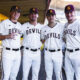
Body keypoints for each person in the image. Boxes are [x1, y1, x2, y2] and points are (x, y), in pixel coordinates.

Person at [41, 9, 64, 80]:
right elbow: (42, 40)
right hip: (47, 53)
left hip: (58, 53)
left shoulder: (61, 27)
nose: (51, 17)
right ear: (46, 17)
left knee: (58, 75)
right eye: (49, 15)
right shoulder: (43, 28)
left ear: (55, 16)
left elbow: (65, 38)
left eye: (52, 15)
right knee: (48, 75)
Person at [0, 5, 22, 80]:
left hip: (17, 53)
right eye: (14, 11)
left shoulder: (19, 25)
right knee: (5, 76)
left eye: (18, 12)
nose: (16, 13)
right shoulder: (4, 23)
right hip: (7, 52)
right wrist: (7, 36)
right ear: (10, 12)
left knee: (14, 76)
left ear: (19, 14)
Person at [22, 8, 43, 80]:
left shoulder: (41, 27)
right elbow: (17, 36)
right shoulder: (24, 26)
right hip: (27, 52)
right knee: (25, 73)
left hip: (37, 52)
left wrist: (39, 43)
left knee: (35, 74)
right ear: (29, 16)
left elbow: (44, 38)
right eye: (31, 13)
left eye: (35, 13)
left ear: (37, 15)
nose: (33, 15)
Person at [63, 4, 80, 80]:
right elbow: (64, 38)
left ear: (74, 12)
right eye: (67, 12)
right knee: (68, 76)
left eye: (71, 12)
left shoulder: (78, 23)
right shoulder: (65, 25)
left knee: (78, 76)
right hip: (67, 53)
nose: (69, 14)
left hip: (77, 53)